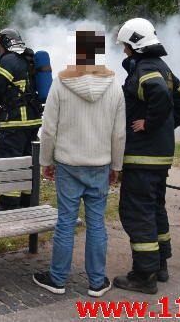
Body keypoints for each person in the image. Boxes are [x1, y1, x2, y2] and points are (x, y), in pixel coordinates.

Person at [32, 30, 125, 298]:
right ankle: (96, 282)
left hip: (68, 164)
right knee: (96, 223)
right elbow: (118, 133)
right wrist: (116, 166)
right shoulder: (115, 85)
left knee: (65, 221)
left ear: (76, 54)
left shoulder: (60, 84)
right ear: (99, 54)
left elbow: (48, 129)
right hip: (100, 164)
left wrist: (46, 161)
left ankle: (58, 279)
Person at [114, 18, 180, 294]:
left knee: (137, 212)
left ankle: (144, 275)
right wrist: (166, 126)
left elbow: (161, 96)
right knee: (155, 208)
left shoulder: (146, 69)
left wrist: (150, 124)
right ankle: (160, 264)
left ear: (134, 45)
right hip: (160, 156)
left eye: (125, 46)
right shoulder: (163, 68)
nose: (124, 51)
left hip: (142, 157)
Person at [0, 28, 43, 212]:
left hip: (15, 122)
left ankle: (8, 203)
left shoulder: (9, 60)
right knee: (28, 160)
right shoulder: (29, 59)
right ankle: (28, 199)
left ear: (6, 44)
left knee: (9, 160)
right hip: (33, 121)